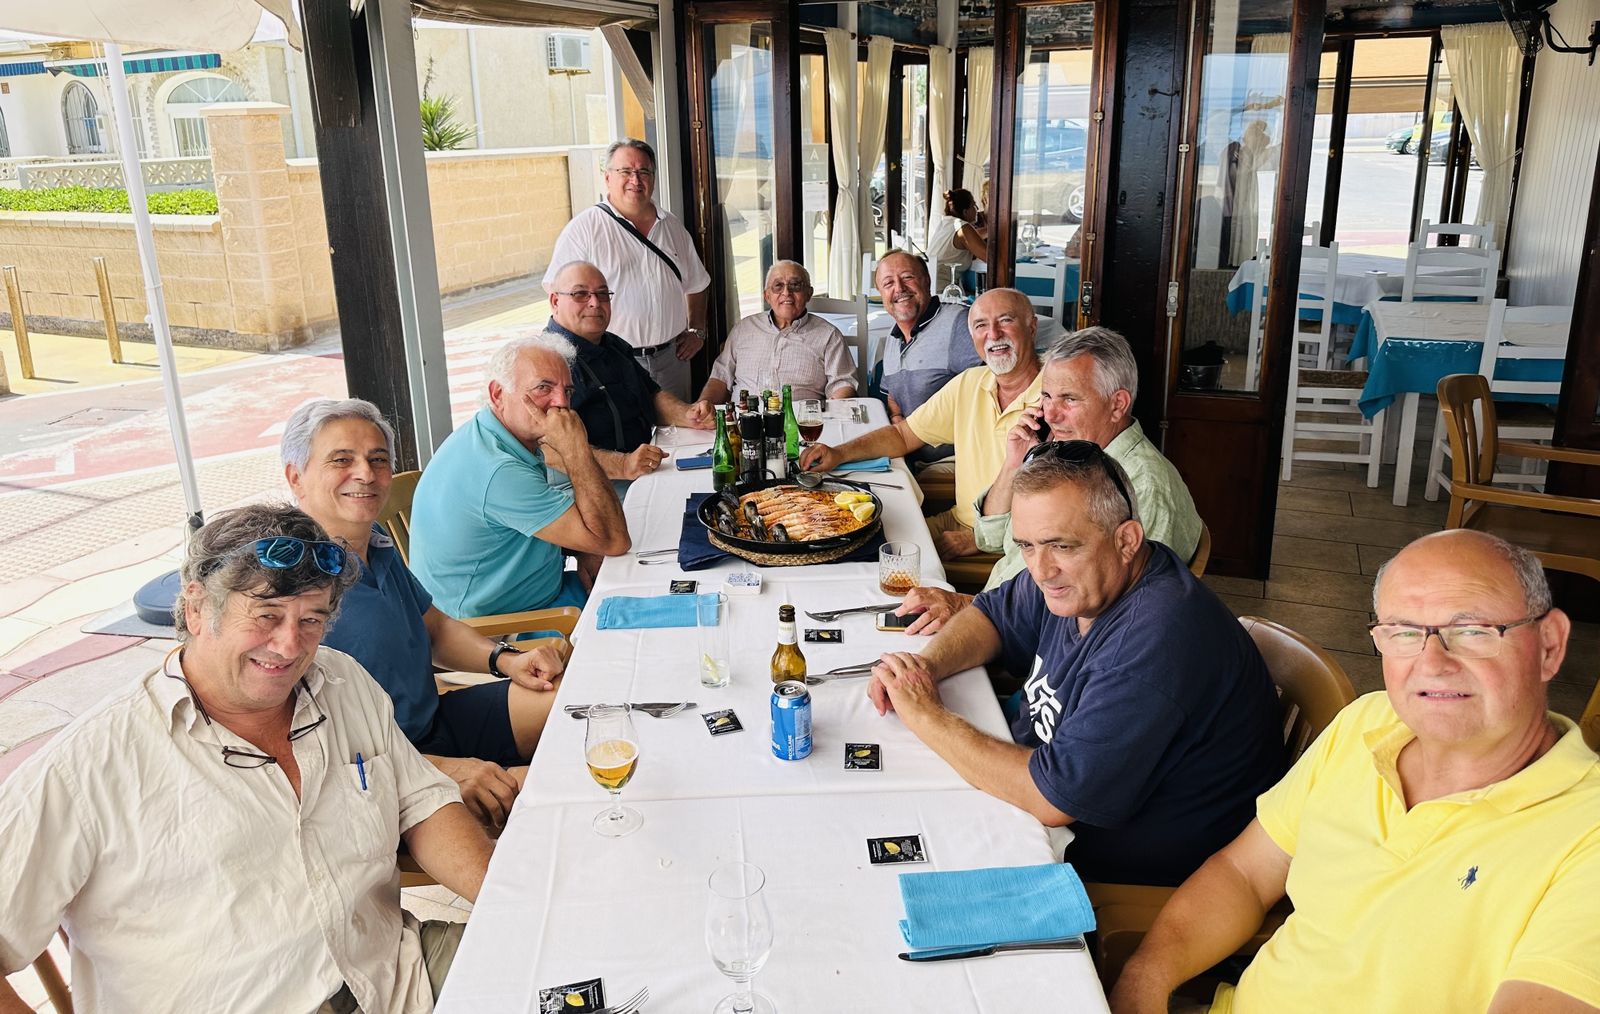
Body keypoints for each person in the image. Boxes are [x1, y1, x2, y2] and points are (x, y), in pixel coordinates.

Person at [0, 504, 494, 1014]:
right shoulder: (86, 768)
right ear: (196, 607)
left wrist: (514, 903)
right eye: (266, 615)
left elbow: (423, 804)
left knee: (570, 964)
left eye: (311, 619)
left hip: (398, 975)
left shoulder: (342, 681)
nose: (288, 645)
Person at [1110, 530, 1600, 1014]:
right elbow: (1243, 874)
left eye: (1471, 631)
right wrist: (1143, 981)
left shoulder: (1586, 834)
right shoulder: (1369, 721)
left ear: (1550, 645)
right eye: (1405, 633)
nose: (1432, 663)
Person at [866, 441, 1283, 886]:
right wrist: (925, 670)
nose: (1041, 570)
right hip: (1045, 798)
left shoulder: (1154, 638)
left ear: (1126, 540)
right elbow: (993, 617)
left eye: (1061, 546)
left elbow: (1052, 797)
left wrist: (926, 712)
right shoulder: (1084, 579)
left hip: (1120, 870)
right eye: (1026, 546)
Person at [282, 398, 571, 827]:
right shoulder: (287, 589)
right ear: (296, 477)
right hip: (379, 775)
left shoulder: (374, 540)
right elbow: (301, 743)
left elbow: (432, 627)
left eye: (377, 459)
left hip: (433, 721)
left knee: (579, 700)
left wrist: (507, 659)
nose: (365, 473)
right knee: (561, 790)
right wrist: (433, 769)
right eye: (341, 459)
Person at [896, 327, 1203, 632]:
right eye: (1046, 397)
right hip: (996, 612)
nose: (1051, 415)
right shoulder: (1071, 458)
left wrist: (967, 607)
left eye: (1069, 399)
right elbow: (989, 537)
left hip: (1024, 643)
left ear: (1117, 404)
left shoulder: (1144, 487)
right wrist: (1014, 464)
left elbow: (1116, 619)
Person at [801, 287, 1043, 560]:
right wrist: (839, 453)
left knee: (891, 564)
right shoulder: (971, 382)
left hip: (1016, 546)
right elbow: (903, 436)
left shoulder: (1055, 397)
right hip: (960, 521)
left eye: (1006, 321)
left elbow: (1062, 509)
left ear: (1031, 327)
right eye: (981, 325)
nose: (993, 334)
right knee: (859, 544)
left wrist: (979, 538)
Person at [410, 331, 630, 620]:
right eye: (543, 388)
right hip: (501, 626)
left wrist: (581, 548)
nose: (561, 404)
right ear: (498, 394)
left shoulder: (490, 433)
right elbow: (614, 541)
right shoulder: (498, 470)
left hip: (537, 591)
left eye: (568, 391)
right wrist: (575, 449)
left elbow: (597, 537)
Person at [543, 138, 711, 400]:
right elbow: (558, 295)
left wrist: (698, 330)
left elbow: (698, 283)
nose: (636, 179)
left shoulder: (672, 226)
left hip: (672, 360)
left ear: (653, 179)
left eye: (644, 172)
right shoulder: (584, 229)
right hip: (615, 363)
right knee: (628, 436)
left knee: (679, 435)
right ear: (607, 177)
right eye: (626, 171)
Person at [545, 260, 714, 483]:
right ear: (555, 301)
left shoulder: (612, 345)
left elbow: (651, 395)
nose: (595, 302)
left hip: (643, 466)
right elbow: (549, 449)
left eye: (603, 294)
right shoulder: (546, 361)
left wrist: (689, 415)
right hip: (590, 485)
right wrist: (623, 465)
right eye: (580, 294)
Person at [872, 250, 983, 465]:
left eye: (907, 277)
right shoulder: (893, 337)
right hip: (907, 454)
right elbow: (892, 393)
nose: (899, 288)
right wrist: (896, 420)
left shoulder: (958, 324)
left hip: (954, 460)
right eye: (888, 283)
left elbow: (992, 387)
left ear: (927, 280)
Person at [698, 260, 857, 405]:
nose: (786, 292)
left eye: (795, 285)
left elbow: (843, 384)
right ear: (767, 295)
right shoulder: (744, 329)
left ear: (809, 293)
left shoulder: (828, 335)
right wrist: (703, 404)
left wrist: (834, 412)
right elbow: (720, 378)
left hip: (800, 422)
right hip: (744, 420)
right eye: (778, 286)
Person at [927, 188, 988, 280]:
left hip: (931, 282)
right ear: (965, 211)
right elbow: (989, 258)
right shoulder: (962, 227)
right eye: (974, 205)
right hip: (942, 288)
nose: (977, 209)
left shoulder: (945, 223)